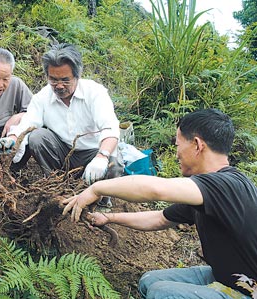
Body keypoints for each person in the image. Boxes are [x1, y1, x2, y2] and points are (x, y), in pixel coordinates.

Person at [61, 108, 257, 299]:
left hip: (247, 291)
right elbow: (159, 218)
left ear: (197, 145)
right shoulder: (209, 191)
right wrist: (108, 217)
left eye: (178, 145)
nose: (176, 153)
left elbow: (156, 189)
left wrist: (97, 188)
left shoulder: (227, 185)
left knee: (163, 293)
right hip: (224, 276)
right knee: (149, 282)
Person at [0, 43, 121, 184]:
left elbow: (110, 128)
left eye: (65, 80)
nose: (59, 86)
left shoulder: (95, 93)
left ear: (77, 76)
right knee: (38, 137)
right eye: (53, 80)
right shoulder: (42, 97)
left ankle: (101, 200)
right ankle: (55, 183)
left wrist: (102, 156)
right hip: (62, 154)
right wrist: (11, 138)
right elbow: (28, 122)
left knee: (113, 162)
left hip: (92, 152)